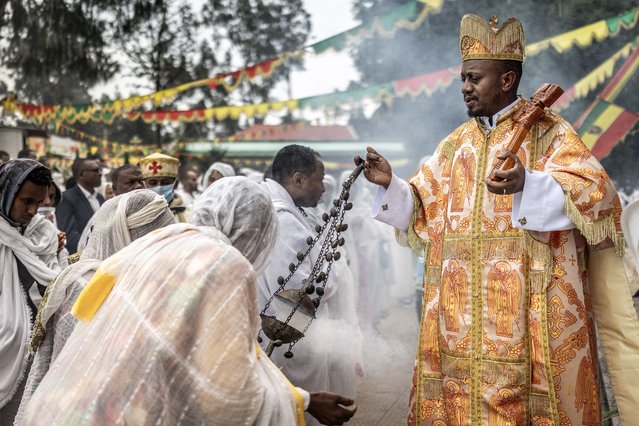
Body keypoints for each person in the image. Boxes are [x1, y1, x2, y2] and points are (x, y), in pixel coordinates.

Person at [357, 13, 639, 425]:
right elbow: (423, 206)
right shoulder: (455, 144)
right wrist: (393, 185)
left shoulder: (550, 134)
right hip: (459, 326)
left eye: (474, 78)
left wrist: (532, 183)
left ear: (507, 80)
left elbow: (597, 194)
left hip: (526, 321)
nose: (465, 88)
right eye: (463, 79)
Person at [21, 177, 357, 426]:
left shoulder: (166, 240)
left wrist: (301, 397)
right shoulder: (225, 263)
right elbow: (229, 396)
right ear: (256, 231)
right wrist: (304, 402)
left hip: (63, 408)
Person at [15, 189, 175, 424]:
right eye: (152, 238)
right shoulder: (82, 284)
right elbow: (72, 364)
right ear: (128, 234)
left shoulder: (157, 281)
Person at [258, 145, 363, 426]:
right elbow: (302, 292)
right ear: (299, 180)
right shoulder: (283, 219)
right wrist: (337, 268)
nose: (324, 188)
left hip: (289, 336)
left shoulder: (284, 211)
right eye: (320, 177)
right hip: (289, 339)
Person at [0, 159, 65, 424]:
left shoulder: (43, 232)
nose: (32, 210)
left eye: (39, 202)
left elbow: (56, 278)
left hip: (37, 345)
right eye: (26, 201)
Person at [56, 158, 105, 253]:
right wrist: (91, 251)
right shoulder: (67, 198)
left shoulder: (99, 197)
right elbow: (69, 235)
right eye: (95, 170)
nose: (100, 173)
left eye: (100, 170)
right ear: (81, 174)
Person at [139, 152, 188, 222]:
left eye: (165, 183)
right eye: (153, 183)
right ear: (143, 185)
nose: (159, 187)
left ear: (176, 184)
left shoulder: (188, 213)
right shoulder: (137, 213)